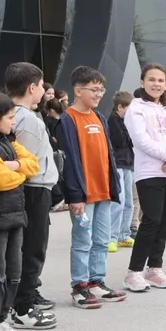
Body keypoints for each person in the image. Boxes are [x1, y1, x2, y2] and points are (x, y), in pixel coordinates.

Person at [57, 66, 127, 308]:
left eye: (101, 90)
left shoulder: (99, 118)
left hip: (103, 192)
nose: (99, 94)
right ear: (78, 91)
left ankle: (97, 281)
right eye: (94, 90)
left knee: (101, 240)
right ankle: (80, 286)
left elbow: (108, 155)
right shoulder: (68, 120)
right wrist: (74, 195)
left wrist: (113, 186)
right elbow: (68, 161)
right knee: (82, 241)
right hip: (83, 196)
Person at [0, 92, 43, 331]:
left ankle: (1, 317)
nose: (13, 122)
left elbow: (33, 163)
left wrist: (13, 166)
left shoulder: (8, 138)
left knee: (14, 271)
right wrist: (20, 170)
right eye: (10, 117)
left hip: (15, 213)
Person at [6, 62, 60, 323]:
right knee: (33, 248)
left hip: (34, 188)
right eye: (40, 85)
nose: (43, 89)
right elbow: (26, 161)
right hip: (33, 188)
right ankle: (23, 306)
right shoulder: (26, 118)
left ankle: (24, 298)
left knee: (28, 246)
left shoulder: (18, 114)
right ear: (31, 88)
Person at [124, 63, 166, 292]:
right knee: (151, 220)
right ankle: (134, 272)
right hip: (149, 173)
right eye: (151, 79)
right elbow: (141, 140)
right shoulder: (136, 108)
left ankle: (155, 268)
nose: (156, 84)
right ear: (142, 82)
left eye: (160, 80)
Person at [108, 91, 136, 252]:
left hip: (128, 164)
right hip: (118, 164)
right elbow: (122, 141)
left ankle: (124, 235)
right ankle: (112, 236)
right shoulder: (113, 120)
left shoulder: (127, 122)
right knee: (119, 201)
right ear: (120, 107)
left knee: (129, 202)